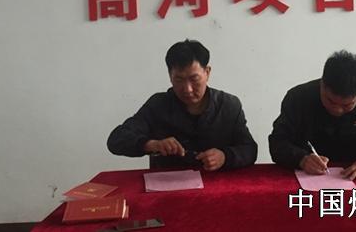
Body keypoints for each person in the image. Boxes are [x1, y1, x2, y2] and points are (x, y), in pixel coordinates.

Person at [107, 39, 257, 171]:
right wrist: (151, 144)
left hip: (216, 184)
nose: (188, 89)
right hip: (168, 186)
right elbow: (116, 139)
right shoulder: (158, 105)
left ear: (207, 72)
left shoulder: (228, 105)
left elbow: (249, 149)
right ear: (170, 76)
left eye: (194, 79)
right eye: (179, 80)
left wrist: (225, 156)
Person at [268, 50, 356, 181]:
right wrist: (301, 159)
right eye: (331, 101)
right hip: (309, 177)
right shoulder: (298, 98)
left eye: (347, 105)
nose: (338, 110)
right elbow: (278, 142)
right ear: (322, 84)